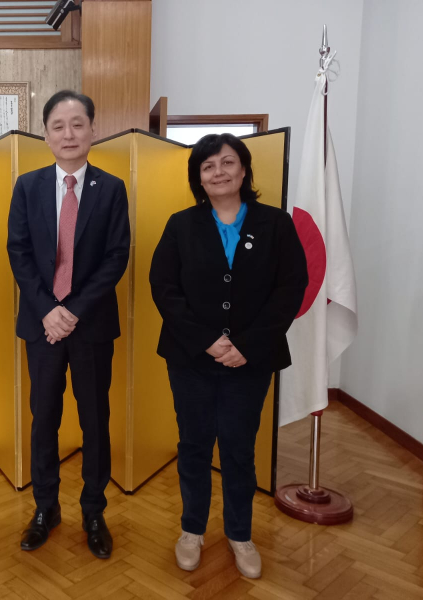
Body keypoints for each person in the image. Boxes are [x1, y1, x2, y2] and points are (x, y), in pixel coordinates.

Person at [149, 133, 307, 578]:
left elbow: (290, 288)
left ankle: (240, 533)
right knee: (194, 443)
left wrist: (248, 345)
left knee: (238, 448)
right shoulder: (181, 224)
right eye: (208, 166)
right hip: (191, 358)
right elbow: (164, 287)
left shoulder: (276, 224)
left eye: (227, 163)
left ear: (243, 170)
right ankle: (192, 530)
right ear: (198, 177)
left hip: (250, 360)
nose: (218, 172)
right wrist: (205, 339)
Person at [7, 90, 130, 559]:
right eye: (58, 125)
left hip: (92, 325)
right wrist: (48, 310)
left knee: (95, 420)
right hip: (42, 326)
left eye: (78, 124)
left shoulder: (112, 187)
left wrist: (73, 309)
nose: (69, 134)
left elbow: (117, 256)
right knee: (45, 420)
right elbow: (18, 252)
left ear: (93, 130)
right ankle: (45, 508)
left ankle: (94, 511)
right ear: (46, 134)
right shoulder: (28, 185)